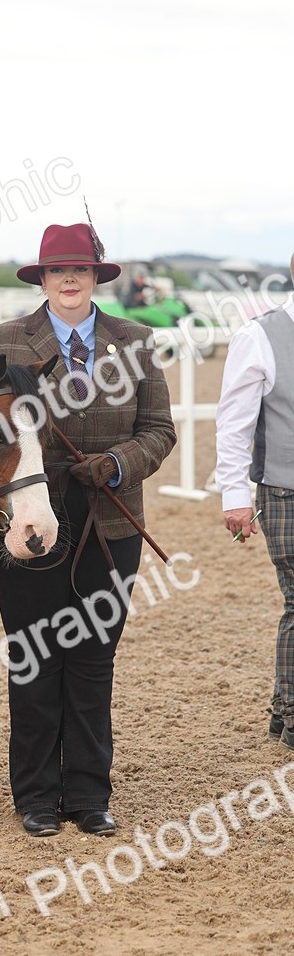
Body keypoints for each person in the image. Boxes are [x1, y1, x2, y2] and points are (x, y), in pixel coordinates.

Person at [0, 223, 177, 836]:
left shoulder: (137, 342)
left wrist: (118, 465)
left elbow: (160, 430)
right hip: (28, 527)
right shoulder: (6, 342)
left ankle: (89, 795)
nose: (70, 279)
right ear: (41, 278)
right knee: (35, 659)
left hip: (111, 527)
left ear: (97, 277)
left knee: (93, 661)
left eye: (81, 270)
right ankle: (37, 797)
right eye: (57, 271)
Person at [215, 255, 294, 751]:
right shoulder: (261, 336)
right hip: (285, 490)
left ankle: (282, 709)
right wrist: (234, 495)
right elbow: (235, 422)